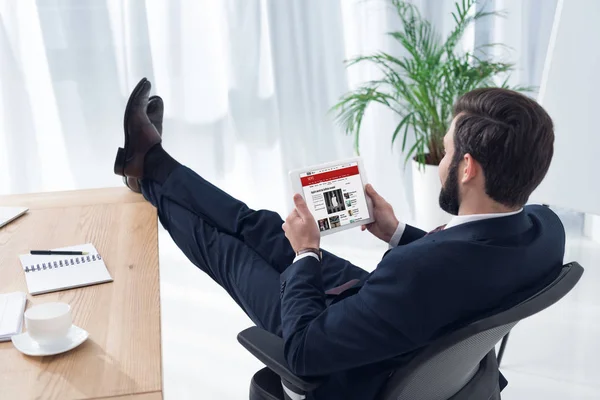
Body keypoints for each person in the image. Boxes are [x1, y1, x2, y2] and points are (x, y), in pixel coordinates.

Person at [114, 78, 564, 400]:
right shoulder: (545, 232)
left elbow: (304, 350)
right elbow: (464, 264)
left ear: (467, 169)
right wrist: (398, 233)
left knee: (225, 250)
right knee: (263, 225)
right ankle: (153, 163)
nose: (441, 160)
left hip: (335, 348)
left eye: (445, 151)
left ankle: (147, 169)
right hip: (389, 314)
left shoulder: (417, 273)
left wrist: (307, 255)